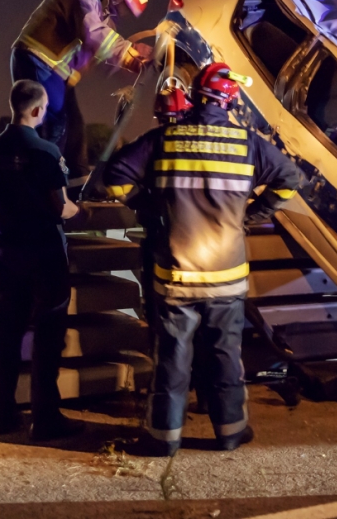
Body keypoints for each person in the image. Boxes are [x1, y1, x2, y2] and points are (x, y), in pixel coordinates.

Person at [102, 63, 301, 456]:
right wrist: (250, 216)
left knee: (173, 358)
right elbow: (290, 181)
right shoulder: (249, 143)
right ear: (230, 99)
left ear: (195, 96)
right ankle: (230, 433)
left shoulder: (164, 139)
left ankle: (164, 439)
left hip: (176, 276)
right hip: (226, 278)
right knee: (226, 355)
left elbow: (115, 178)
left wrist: (152, 207)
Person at [0, 80, 84, 440]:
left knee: (7, 334)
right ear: (38, 110)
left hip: (11, 253)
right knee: (48, 334)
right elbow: (61, 206)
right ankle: (45, 418)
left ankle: (3, 415)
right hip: (46, 254)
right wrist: (76, 209)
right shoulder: (46, 151)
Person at [11, 0, 154, 185]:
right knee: (53, 122)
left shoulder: (99, 12)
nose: (124, 13)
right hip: (37, 59)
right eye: (125, 6)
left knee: (73, 123)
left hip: (56, 71)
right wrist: (130, 54)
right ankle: (43, 184)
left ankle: (77, 179)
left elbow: (100, 53)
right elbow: (95, 36)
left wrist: (131, 62)